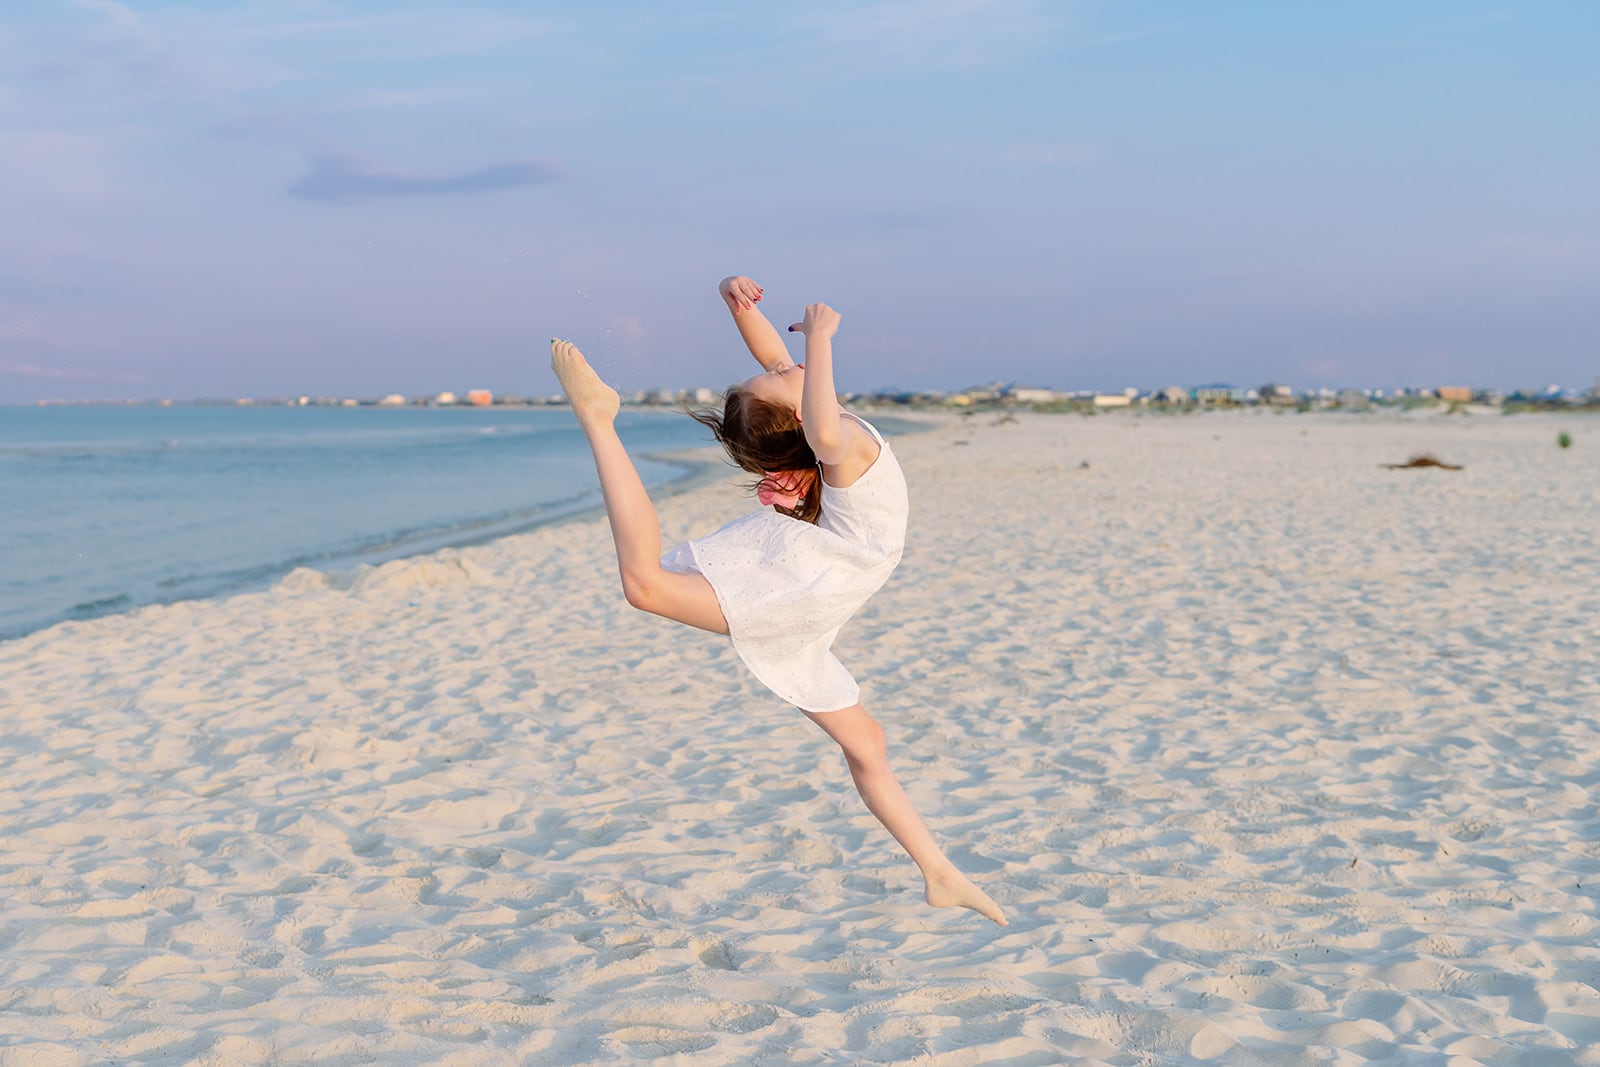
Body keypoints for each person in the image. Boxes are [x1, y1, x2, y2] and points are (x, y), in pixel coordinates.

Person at [549, 274, 1006, 925]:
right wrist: (821, 337)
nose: (787, 365)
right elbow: (810, 410)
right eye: (787, 376)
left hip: (821, 572)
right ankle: (600, 421)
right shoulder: (834, 440)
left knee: (867, 744)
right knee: (645, 585)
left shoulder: (824, 421)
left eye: (793, 368)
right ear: (798, 414)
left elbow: (774, 363)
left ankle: (938, 871)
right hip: (807, 584)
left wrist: (741, 308)